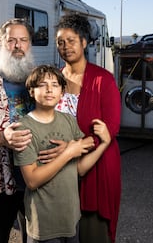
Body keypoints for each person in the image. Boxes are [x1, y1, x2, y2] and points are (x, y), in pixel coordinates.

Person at [0, 18, 65, 243]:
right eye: (11, 40)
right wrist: (1, 137)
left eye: (23, 40)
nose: (18, 46)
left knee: (37, 236)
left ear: (29, 44)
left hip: (34, 178)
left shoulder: (38, 79)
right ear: (1, 43)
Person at [13, 65, 112, 243]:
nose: (50, 89)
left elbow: (80, 169)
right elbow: (32, 181)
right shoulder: (23, 128)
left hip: (71, 219)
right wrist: (68, 153)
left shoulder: (68, 121)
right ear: (31, 91)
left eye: (55, 85)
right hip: (44, 225)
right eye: (42, 84)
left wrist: (104, 143)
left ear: (62, 92)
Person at [52, 14, 122, 243]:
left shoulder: (103, 80)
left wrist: (74, 148)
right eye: (60, 42)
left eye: (71, 40)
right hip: (61, 168)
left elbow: (111, 128)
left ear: (84, 42)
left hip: (96, 167)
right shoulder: (55, 79)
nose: (65, 47)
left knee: (93, 233)